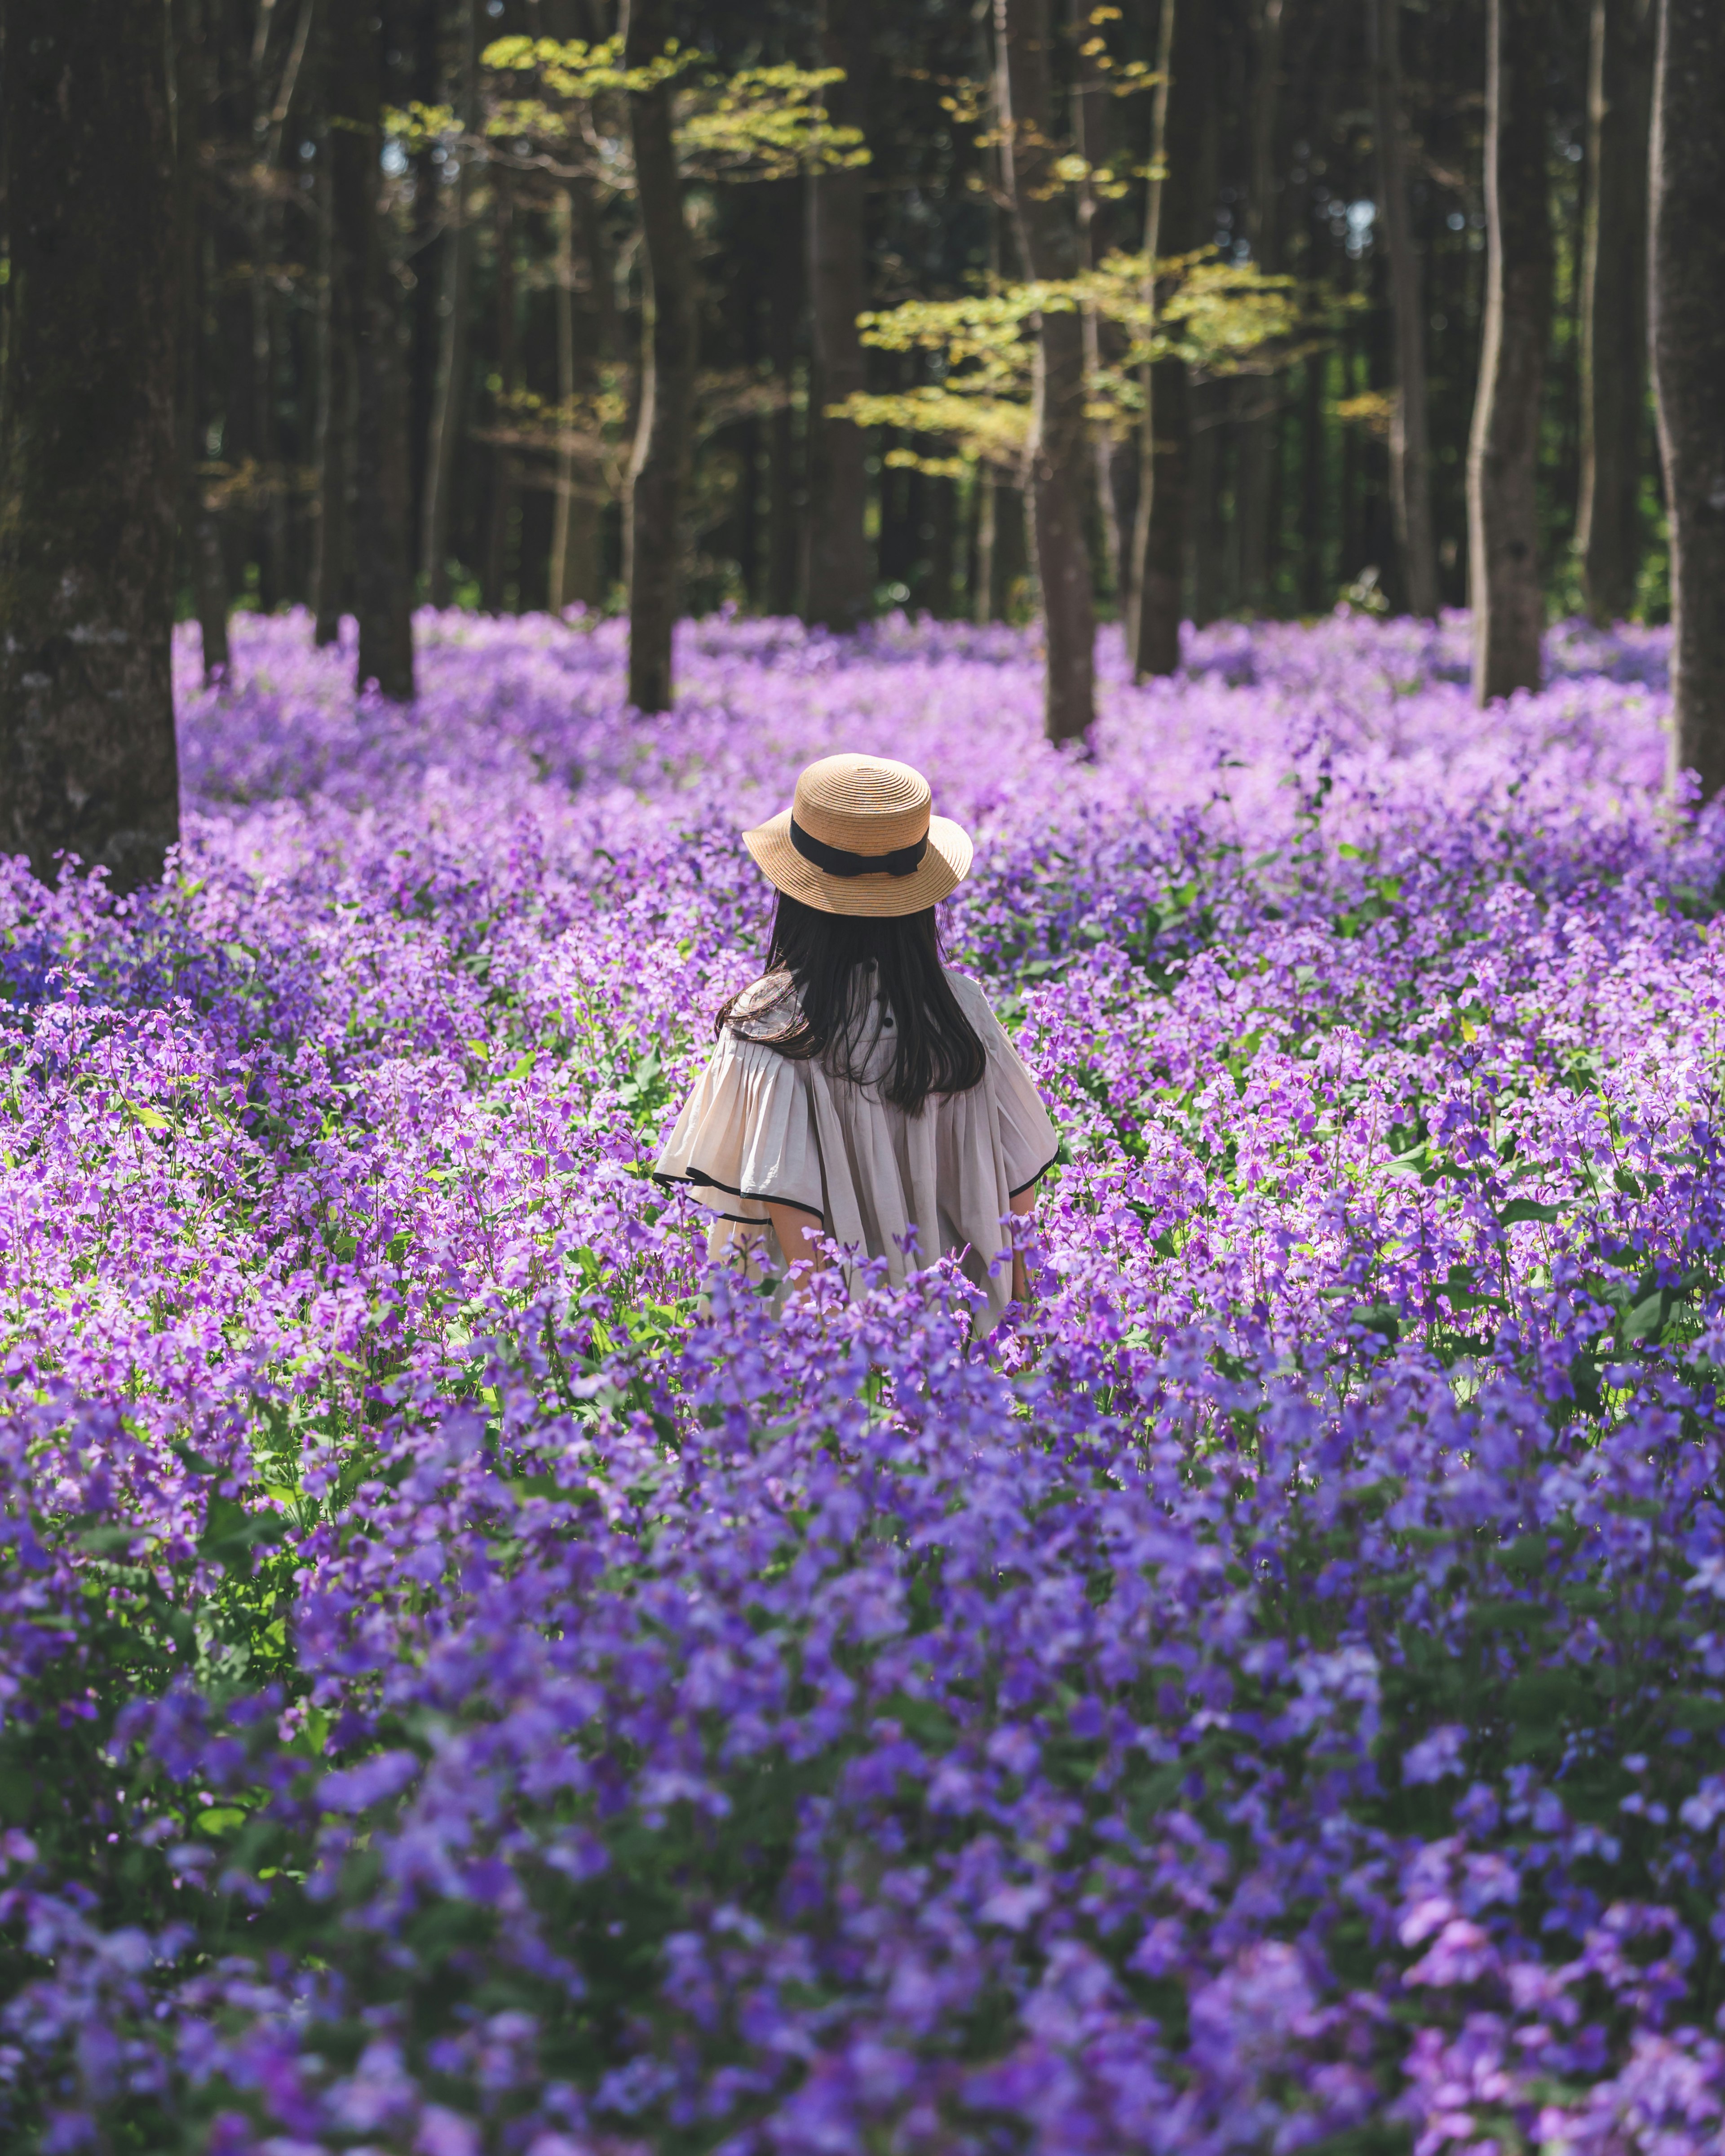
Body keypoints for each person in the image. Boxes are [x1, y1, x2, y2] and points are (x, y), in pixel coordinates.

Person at [654, 753, 1059, 1321]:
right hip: (956, 1324)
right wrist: (1023, 1306)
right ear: (921, 899)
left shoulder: (772, 1025)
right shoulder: (962, 1010)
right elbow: (1019, 1178)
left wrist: (836, 1340)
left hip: (821, 1342)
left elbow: (785, 1196)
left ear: (796, 894)